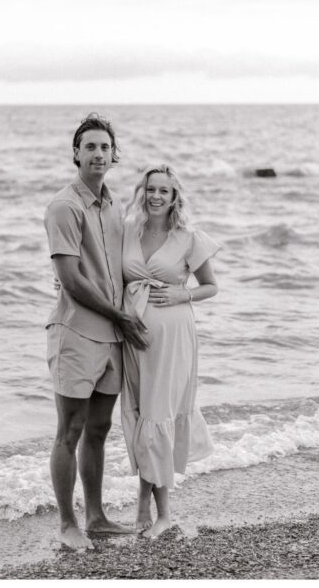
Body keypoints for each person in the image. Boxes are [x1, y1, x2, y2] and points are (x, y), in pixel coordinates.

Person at [44, 114, 149, 550]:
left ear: (114, 154)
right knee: (69, 430)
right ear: (75, 153)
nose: (98, 154)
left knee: (100, 428)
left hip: (112, 336)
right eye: (89, 147)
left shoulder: (114, 206)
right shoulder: (64, 207)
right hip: (77, 333)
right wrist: (120, 315)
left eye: (105, 147)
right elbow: (70, 278)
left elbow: (122, 268)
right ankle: (67, 524)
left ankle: (97, 516)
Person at [119, 164, 219, 538]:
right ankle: (143, 498)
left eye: (164, 190)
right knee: (141, 413)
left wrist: (184, 293)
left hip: (173, 336)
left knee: (159, 413)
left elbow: (211, 286)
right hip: (132, 335)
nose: (156, 196)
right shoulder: (128, 231)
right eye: (150, 189)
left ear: (175, 196)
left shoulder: (187, 237)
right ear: (141, 193)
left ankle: (164, 514)